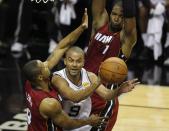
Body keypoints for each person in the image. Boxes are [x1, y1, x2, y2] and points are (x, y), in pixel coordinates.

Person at [23, 9, 106, 131]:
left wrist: (82, 28)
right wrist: (89, 121)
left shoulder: (31, 82)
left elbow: (62, 47)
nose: (47, 64)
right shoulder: (49, 104)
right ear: (40, 77)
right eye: (44, 66)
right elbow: (68, 123)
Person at [52, 46, 140, 131]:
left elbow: (107, 94)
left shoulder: (90, 76)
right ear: (65, 61)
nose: (74, 65)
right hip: (62, 126)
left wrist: (119, 90)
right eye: (71, 61)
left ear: (83, 62)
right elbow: (75, 98)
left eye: (78, 61)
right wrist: (98, 82)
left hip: (84, 126)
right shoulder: (58, 78)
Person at [84, 0, 137, 130]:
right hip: (82, 89)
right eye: (114, 14)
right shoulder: (99, 24)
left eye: (121, 16)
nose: (117, 18)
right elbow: (98, 4)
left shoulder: (126, 38)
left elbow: (130, 24)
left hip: (104, 98)